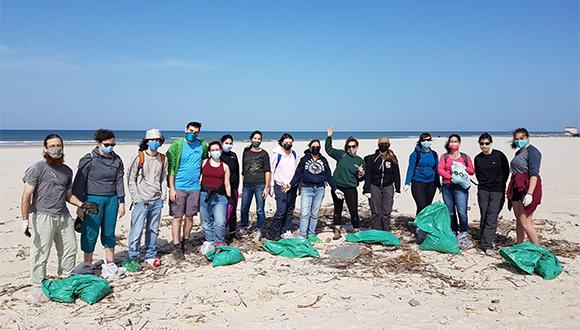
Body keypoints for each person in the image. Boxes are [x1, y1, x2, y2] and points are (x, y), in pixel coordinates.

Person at [21, 134, 92, 301]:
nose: (56, 148)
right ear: (45, 149)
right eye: (52, 146)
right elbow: (26, 196)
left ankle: (66, 279)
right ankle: (38, 285)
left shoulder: (67, 171)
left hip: (63, 216)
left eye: (58, 145)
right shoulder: (37, 168)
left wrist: (82, 205)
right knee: (40, 252)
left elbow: (68, 195)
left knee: (70, 248)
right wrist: (25, 220)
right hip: (43, 216)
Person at [72, 129, 127, 278]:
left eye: (113, 144)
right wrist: (80, 206)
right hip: (92, 200)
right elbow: (78, 183)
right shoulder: (88, 160)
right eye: (107, 144)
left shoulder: (117, 160)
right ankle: (87, 265)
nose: (110, 147)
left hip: (112, 200)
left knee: (109, 232)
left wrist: (121, 202)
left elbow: (119, 181)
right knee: (90, 233)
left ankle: (109, 264)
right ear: (98, 143)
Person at [126, 129, 168, 268]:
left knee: (153, 229)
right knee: (136, 230)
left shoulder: (163, 159)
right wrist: (137, 198)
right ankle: (133, 255)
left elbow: (163, 179)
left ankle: (150, 254)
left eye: (158, 140)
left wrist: (163, 197)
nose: (155, 143)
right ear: (147, 141)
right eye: (153, 140)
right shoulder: (139, 157)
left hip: (156, 200)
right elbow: (130, 179)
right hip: (141, 201)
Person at [166, 121, 208, 260]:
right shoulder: (176, 145)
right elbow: (171, 168)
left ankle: (186, 241)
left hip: (194, 187)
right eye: (190, 131)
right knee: (177, 217)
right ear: (185, 130)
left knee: (190, 217)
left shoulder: (202, 145)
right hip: (179, 187)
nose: (192, 134)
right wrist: (172, 188)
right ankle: (176, 246)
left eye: (195, 132)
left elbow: (204, 161)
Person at [289, 139, 343, 239]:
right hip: (306, 188)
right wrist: (290, 184)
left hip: (319, 189)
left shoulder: (323, 160)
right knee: (305, 213)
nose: (315, 148)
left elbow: (328, 176)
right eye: (313, 147)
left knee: (314, 214)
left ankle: (312, 234)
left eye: (317, 147)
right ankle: (302, 235)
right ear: (310, 147)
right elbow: (298, 174)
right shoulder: (304, 159)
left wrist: (335, 188)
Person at [325, 127, 365, 239]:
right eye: (349, 146)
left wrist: (361, 174)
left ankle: (356, 230)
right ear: (346, 147)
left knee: (353, 210)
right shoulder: (341, 155)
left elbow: (361, 178)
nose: (351, 148)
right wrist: (329, 137)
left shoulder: (360, 161)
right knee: (337, 209)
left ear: (357, 147)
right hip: (338, 187)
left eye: (353, 146)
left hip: (351, 188)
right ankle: (337, 230)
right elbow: (329, 149)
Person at [474, 133, 510, 255]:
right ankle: (484, 240)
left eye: (487, 143)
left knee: (492, 216)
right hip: (483, 190)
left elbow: (506, 171)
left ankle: (488, 244)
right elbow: (478, 175)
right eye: (482, 143)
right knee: (484, 215)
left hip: (497, 190)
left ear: (491, 143)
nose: (484, 146)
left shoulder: (499, 155)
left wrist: (500, 184)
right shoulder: (478, 158)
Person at [437, 134, 475, 249]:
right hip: (447, 186)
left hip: (460, 187)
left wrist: (463, 167)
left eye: (455, 141)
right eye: (451, 141)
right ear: (449, 144)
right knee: (450, 211)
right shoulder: (444, 157)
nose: (453, 143)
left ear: (459, 143)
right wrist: (450, 177)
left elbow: (472, 171)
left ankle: (463, 234)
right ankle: (453, 232)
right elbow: (440, 169)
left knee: (462, 211)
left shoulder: (464, 157)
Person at [507, 128, 542, 245]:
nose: (519, 141)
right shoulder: (519, 152)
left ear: (527, 137)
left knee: (525, 221)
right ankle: (520, 244)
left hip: (527, 187)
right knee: (519, 221)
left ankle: (538, 249)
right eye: (516, 139)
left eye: (521, 138)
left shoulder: (533, 152)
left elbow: (534, 174)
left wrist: (530, 194)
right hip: (516, 186)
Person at [199, 142, 232, 254]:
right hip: (204, 195)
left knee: (220, 221)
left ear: (221, 150)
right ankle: (210, 241)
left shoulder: (225, 166)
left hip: (220, 197)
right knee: (206, 221)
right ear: (209, 151)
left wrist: (229, 197)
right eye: (212, 150)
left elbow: (227, 183)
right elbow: (198, 177)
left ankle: (219, 241)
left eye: (217, 149)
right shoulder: (204, 163)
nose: (215, 152)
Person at [363, 137, 401, 231]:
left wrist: (398, 189)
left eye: (386, 144)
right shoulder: (372, 158)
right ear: (378, 145)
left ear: (389, 145)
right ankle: (376, 230)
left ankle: (386, 230)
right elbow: (367, 175)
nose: (384, 145)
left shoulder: (392, 158)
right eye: (382, 144)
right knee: (375, 211)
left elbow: (396, 174)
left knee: (386, 211)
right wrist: (367, 190)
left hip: (388, 186)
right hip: (374, 186)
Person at [240, 131, 271, 242]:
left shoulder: (264, 154)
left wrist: (267, 187)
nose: (257, 140)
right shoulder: (246, 151)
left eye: (259, 139)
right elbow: (243, 169)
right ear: (251, 138)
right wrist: (243, 185)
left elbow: (267, 171)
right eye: (255, 138)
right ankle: (243, 226)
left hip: (260, 184)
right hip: (247, 185)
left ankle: (259, 229)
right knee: (244, 208)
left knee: (260, 209)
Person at [268, 133, 300, 240]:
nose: (288, 144)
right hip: (280, 186)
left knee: (290, 209)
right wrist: (271, 187)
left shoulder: (294, 154)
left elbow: (297, 171)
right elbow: (271, 171)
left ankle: (285, 230)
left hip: (292, 186)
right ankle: (273, 232)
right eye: (286, 142)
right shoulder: (276, 155)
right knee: (281, 210)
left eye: (290, 143)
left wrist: (297, 185)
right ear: (282, 142)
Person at [404, 132, 441, 215]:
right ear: (420, 141)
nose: (426, 142)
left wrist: (438, 184)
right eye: (424, 140)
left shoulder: (434, 154)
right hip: (418, 182)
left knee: (428, 206)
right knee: (421, 206)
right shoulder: (415, 154)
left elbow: (436, 170)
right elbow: (410, 169)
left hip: (431, 183)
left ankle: (425, 225)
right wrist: (407, 183)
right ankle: (419, 226)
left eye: (428, 140)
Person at [220, 134, 240, 241]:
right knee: (225, 212)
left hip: (233, 188)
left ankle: (232, 232)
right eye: (226, 143)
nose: (228, 145)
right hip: (221, 189)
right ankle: (221, 234)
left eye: (230, 143)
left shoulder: (234, 155)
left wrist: (237, 187)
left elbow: (236, 171)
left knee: (233, 211)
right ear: (222, 143)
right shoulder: (218, 156)